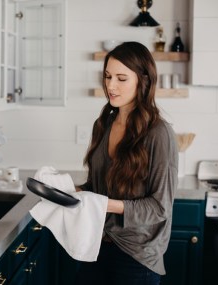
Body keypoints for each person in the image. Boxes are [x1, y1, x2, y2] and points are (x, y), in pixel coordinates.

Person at [75, 41, 178, 285]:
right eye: (108, 76)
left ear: (143, 81)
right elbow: (98, 187)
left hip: (137, 256)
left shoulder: (159, 133)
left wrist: (105, 205)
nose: (111, 86)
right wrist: (70, 191)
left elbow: (160, 207)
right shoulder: (103, 124)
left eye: (121, 78)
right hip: (95, 245)